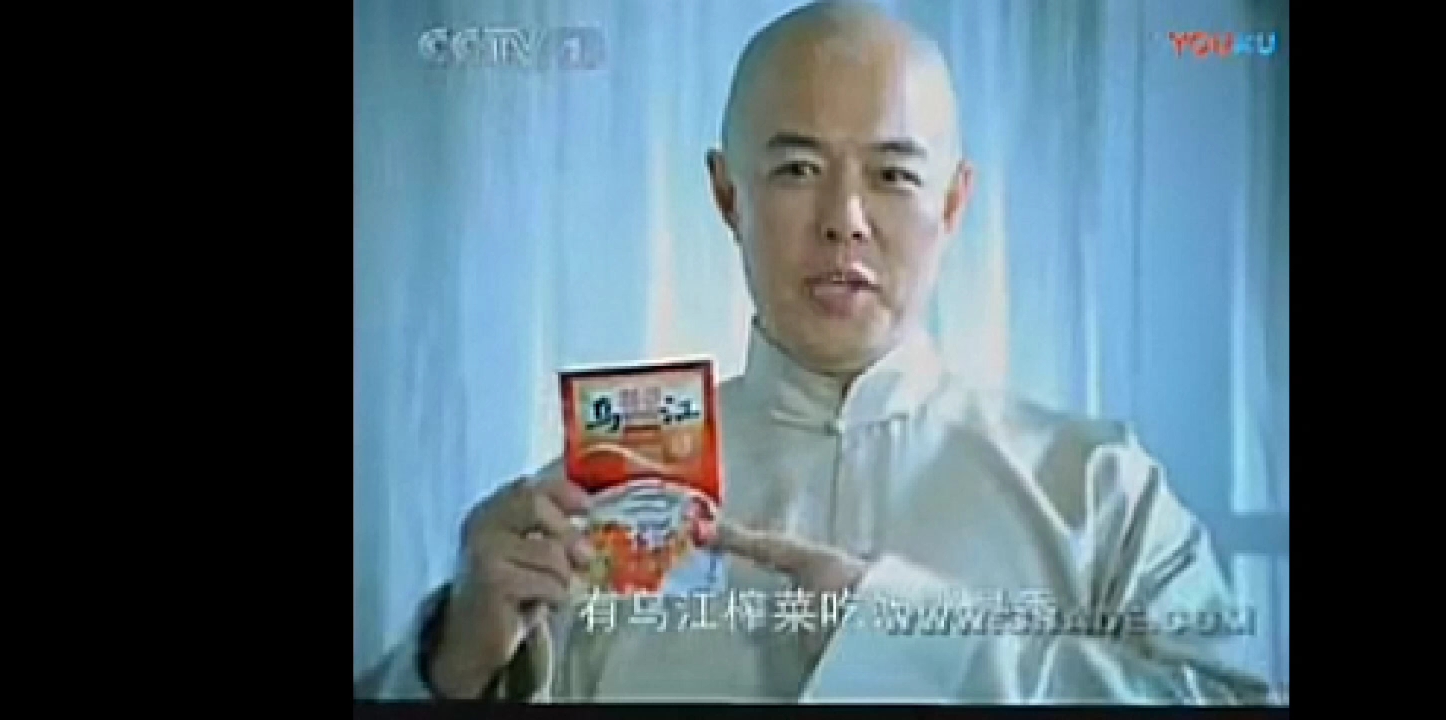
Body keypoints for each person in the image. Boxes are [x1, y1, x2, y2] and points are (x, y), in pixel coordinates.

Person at [357, 0, 1278, 704]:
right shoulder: (596, 499)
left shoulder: (1101, 487)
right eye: (797, 169)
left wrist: (909, 638)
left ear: (954, 204)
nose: (844, 221)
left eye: (893, 174)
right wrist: (450, 666)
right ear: (728, 196)